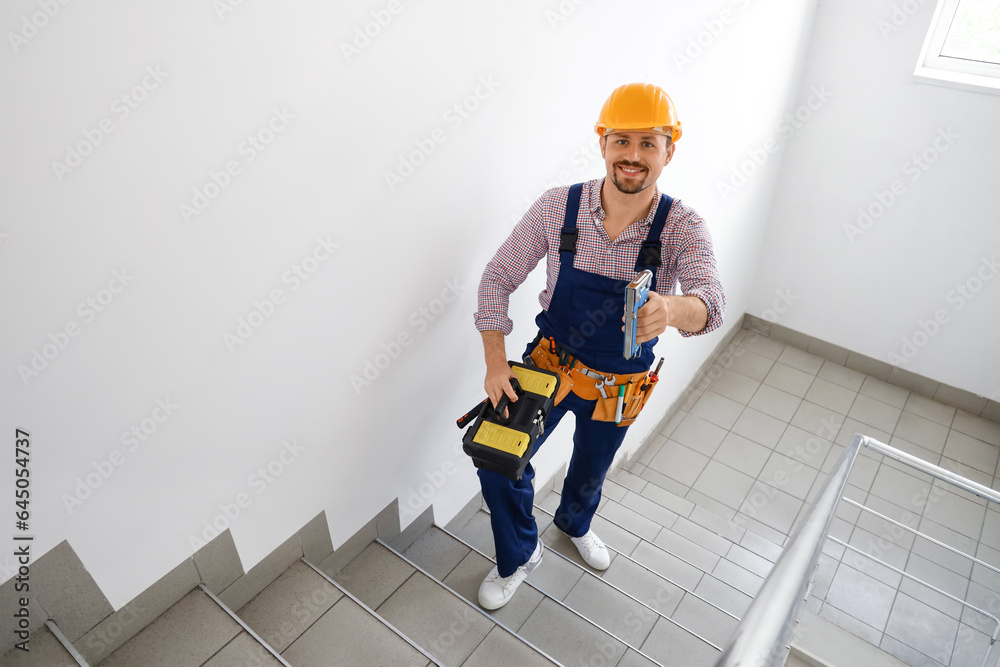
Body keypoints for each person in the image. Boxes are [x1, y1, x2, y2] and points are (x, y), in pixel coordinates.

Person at [472, 83, 726, 610]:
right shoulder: (557, 208)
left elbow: (713, 304)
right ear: (604, 143)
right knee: (497, 460)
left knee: (591, 467)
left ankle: (573, 522)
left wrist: (672, 309)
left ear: (668, 151)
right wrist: (496, 362)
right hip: (548, 367)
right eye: (622, 140)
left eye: (648, 143)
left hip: (618, 387)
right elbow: (497, 278)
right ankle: (521, 554)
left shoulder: (683, 227)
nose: (633, 155)